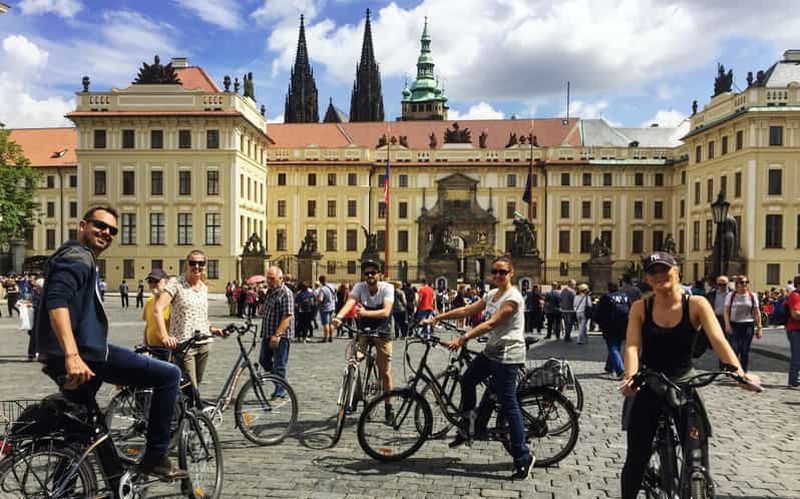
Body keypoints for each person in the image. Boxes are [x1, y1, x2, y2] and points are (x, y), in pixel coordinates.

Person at [35, 206, 185, 479]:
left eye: (112, 230)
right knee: (169, 375)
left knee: (84, 423)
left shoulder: (71, 255)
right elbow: (57, 301)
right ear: (82, 225)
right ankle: (155, 458)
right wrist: (72, 355)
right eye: (100, 226)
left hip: (71, 355)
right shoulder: (78, 257)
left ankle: (67, 485)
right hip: (84, 357)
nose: (107, 233)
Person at [619, 252, 759, 498]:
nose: (660, 275)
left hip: (684, 384)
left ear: (677, 272)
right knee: (636, 459)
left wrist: (739, 374)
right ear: (648, 279)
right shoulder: (641, 307)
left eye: (665, 269)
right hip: (650, 383)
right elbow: (632, 345)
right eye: (653, 272)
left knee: (697, 457)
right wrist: (630, 376)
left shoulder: (696, 304)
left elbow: (718, 339)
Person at [427, 255, 535, 480]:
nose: (497, 275)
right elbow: (468, 311)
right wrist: (438, 317)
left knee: (509, 404)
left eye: (502, 272)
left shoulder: (512, 297)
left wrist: (463, 338)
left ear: (511, 273)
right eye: (495, 271)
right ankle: (469, 424)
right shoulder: (492, 294)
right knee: (467, 380)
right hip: (492, 351)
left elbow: (491, 323)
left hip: (508, 355)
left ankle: (523, 457)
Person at [333, 260, 395, 421]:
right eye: (366, 273)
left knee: (385, 372)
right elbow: (351, 302)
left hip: (383, 332)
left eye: (373, 273)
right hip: (364, 331)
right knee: (355, 359)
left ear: (379, 274)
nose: (369, 276)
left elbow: (386, 312)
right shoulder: (359, 287)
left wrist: (365, 313)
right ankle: (353, 395)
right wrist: (339, 317)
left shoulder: (387, 288)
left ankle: (389, 407)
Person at [153, 250, 223, 389]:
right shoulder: (176, 284)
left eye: (201, 263)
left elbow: (199, 315)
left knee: (194, 388)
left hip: (204, 343)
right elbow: (158, 309)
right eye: (193, 263)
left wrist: (212, 329)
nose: (197, 266)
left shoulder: (203, 287)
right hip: (184, 345)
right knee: (189, 388)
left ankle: (186, 409)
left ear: (205, 265)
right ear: (187, 264)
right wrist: (165, 336)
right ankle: (181, 410)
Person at [259, 266, 294, 397]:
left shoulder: (286, 293)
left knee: (280, 364)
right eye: (267, 278)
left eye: (272, 278)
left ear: (280, 278)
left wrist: (277, 334)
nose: (269, 281)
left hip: (281, 335)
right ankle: (281, 381)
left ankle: (281, 391)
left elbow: (287, 316)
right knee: (263, 360)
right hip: (267, 333)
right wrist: (262, 309)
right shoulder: (270, 291)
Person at [723, 275, 762, 373]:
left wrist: (759, 327)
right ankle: (734, 370)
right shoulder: (731, 296)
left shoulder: (752, 296)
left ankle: (744, 372)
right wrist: (727, 324)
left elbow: (757, 312)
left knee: (745, 350)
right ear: (737, 285)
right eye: (742, 282)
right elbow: (726, 311)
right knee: (735, 349)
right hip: (734, 324)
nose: (744, 284)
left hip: (748, 324)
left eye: (746, 282)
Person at [594, 282, 630, 378]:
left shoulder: (606, 297)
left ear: (608, 288)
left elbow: (599, 312)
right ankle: (609, 367)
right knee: (616, 346)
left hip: (610, 326)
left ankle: (620, 370)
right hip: (623, 326)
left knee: (613, 347)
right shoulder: (624, 297)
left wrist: (597, 321)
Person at [142, 269, 170, 348]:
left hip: (167, 348)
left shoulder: (172, 303)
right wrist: (145, 343)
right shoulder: (149, 302)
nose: (153, 284)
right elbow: (148, 325)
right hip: (152, 348)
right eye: (150, 281)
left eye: (156, 281)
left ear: (166, 282)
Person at [785, 275, 800, 387]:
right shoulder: (795, 296)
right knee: (796, 356)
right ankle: (793, 380)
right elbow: (795, 314)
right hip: (795, 330)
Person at [317, 275, 336, 343]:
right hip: (332, 306)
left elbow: (321, 299)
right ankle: (331, 337)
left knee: (326, 323)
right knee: (331, 323)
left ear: (320, 281)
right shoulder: (332, 286)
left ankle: (326, 337)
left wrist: (317, 299)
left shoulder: (322, 289)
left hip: (325, 308)